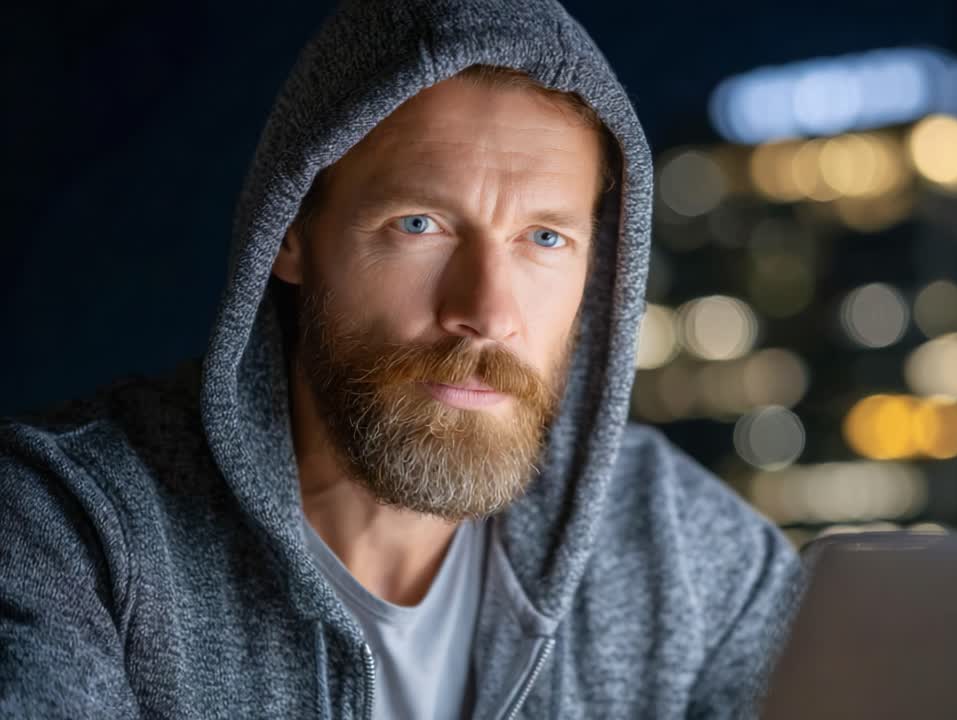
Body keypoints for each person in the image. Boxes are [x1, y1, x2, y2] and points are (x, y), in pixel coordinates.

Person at [0, 1, 802, 717]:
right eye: (421, 225)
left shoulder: (695, 556)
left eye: (545, 238)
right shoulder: (68, 532)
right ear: (292, 230)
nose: (486, 313)